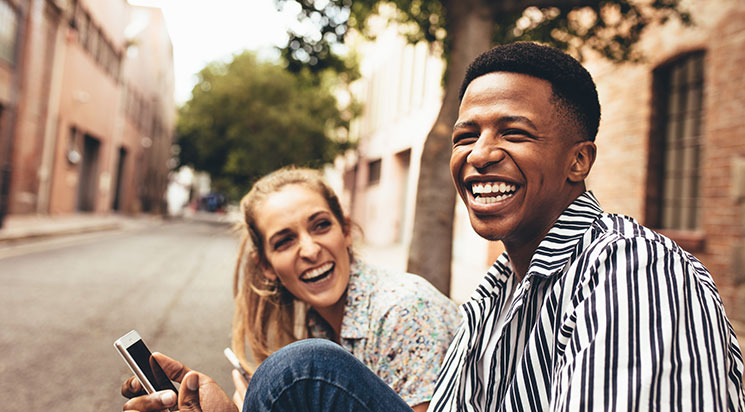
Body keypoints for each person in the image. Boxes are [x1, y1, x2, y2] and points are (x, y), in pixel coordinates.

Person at [125, 42, 745, 412]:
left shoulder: (634, 274)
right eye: (466, 135)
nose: (478, 154)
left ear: (578, 160)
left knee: (300, 371)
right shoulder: (495, 297)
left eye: (514, 132)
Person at [121, 167, 461, 412]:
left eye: (321, 226)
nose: (310, 250)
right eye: (285, 241)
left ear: (345, 232)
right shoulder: (320, 323)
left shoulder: (404, 309)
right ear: (267, 266)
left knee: (296, 368)